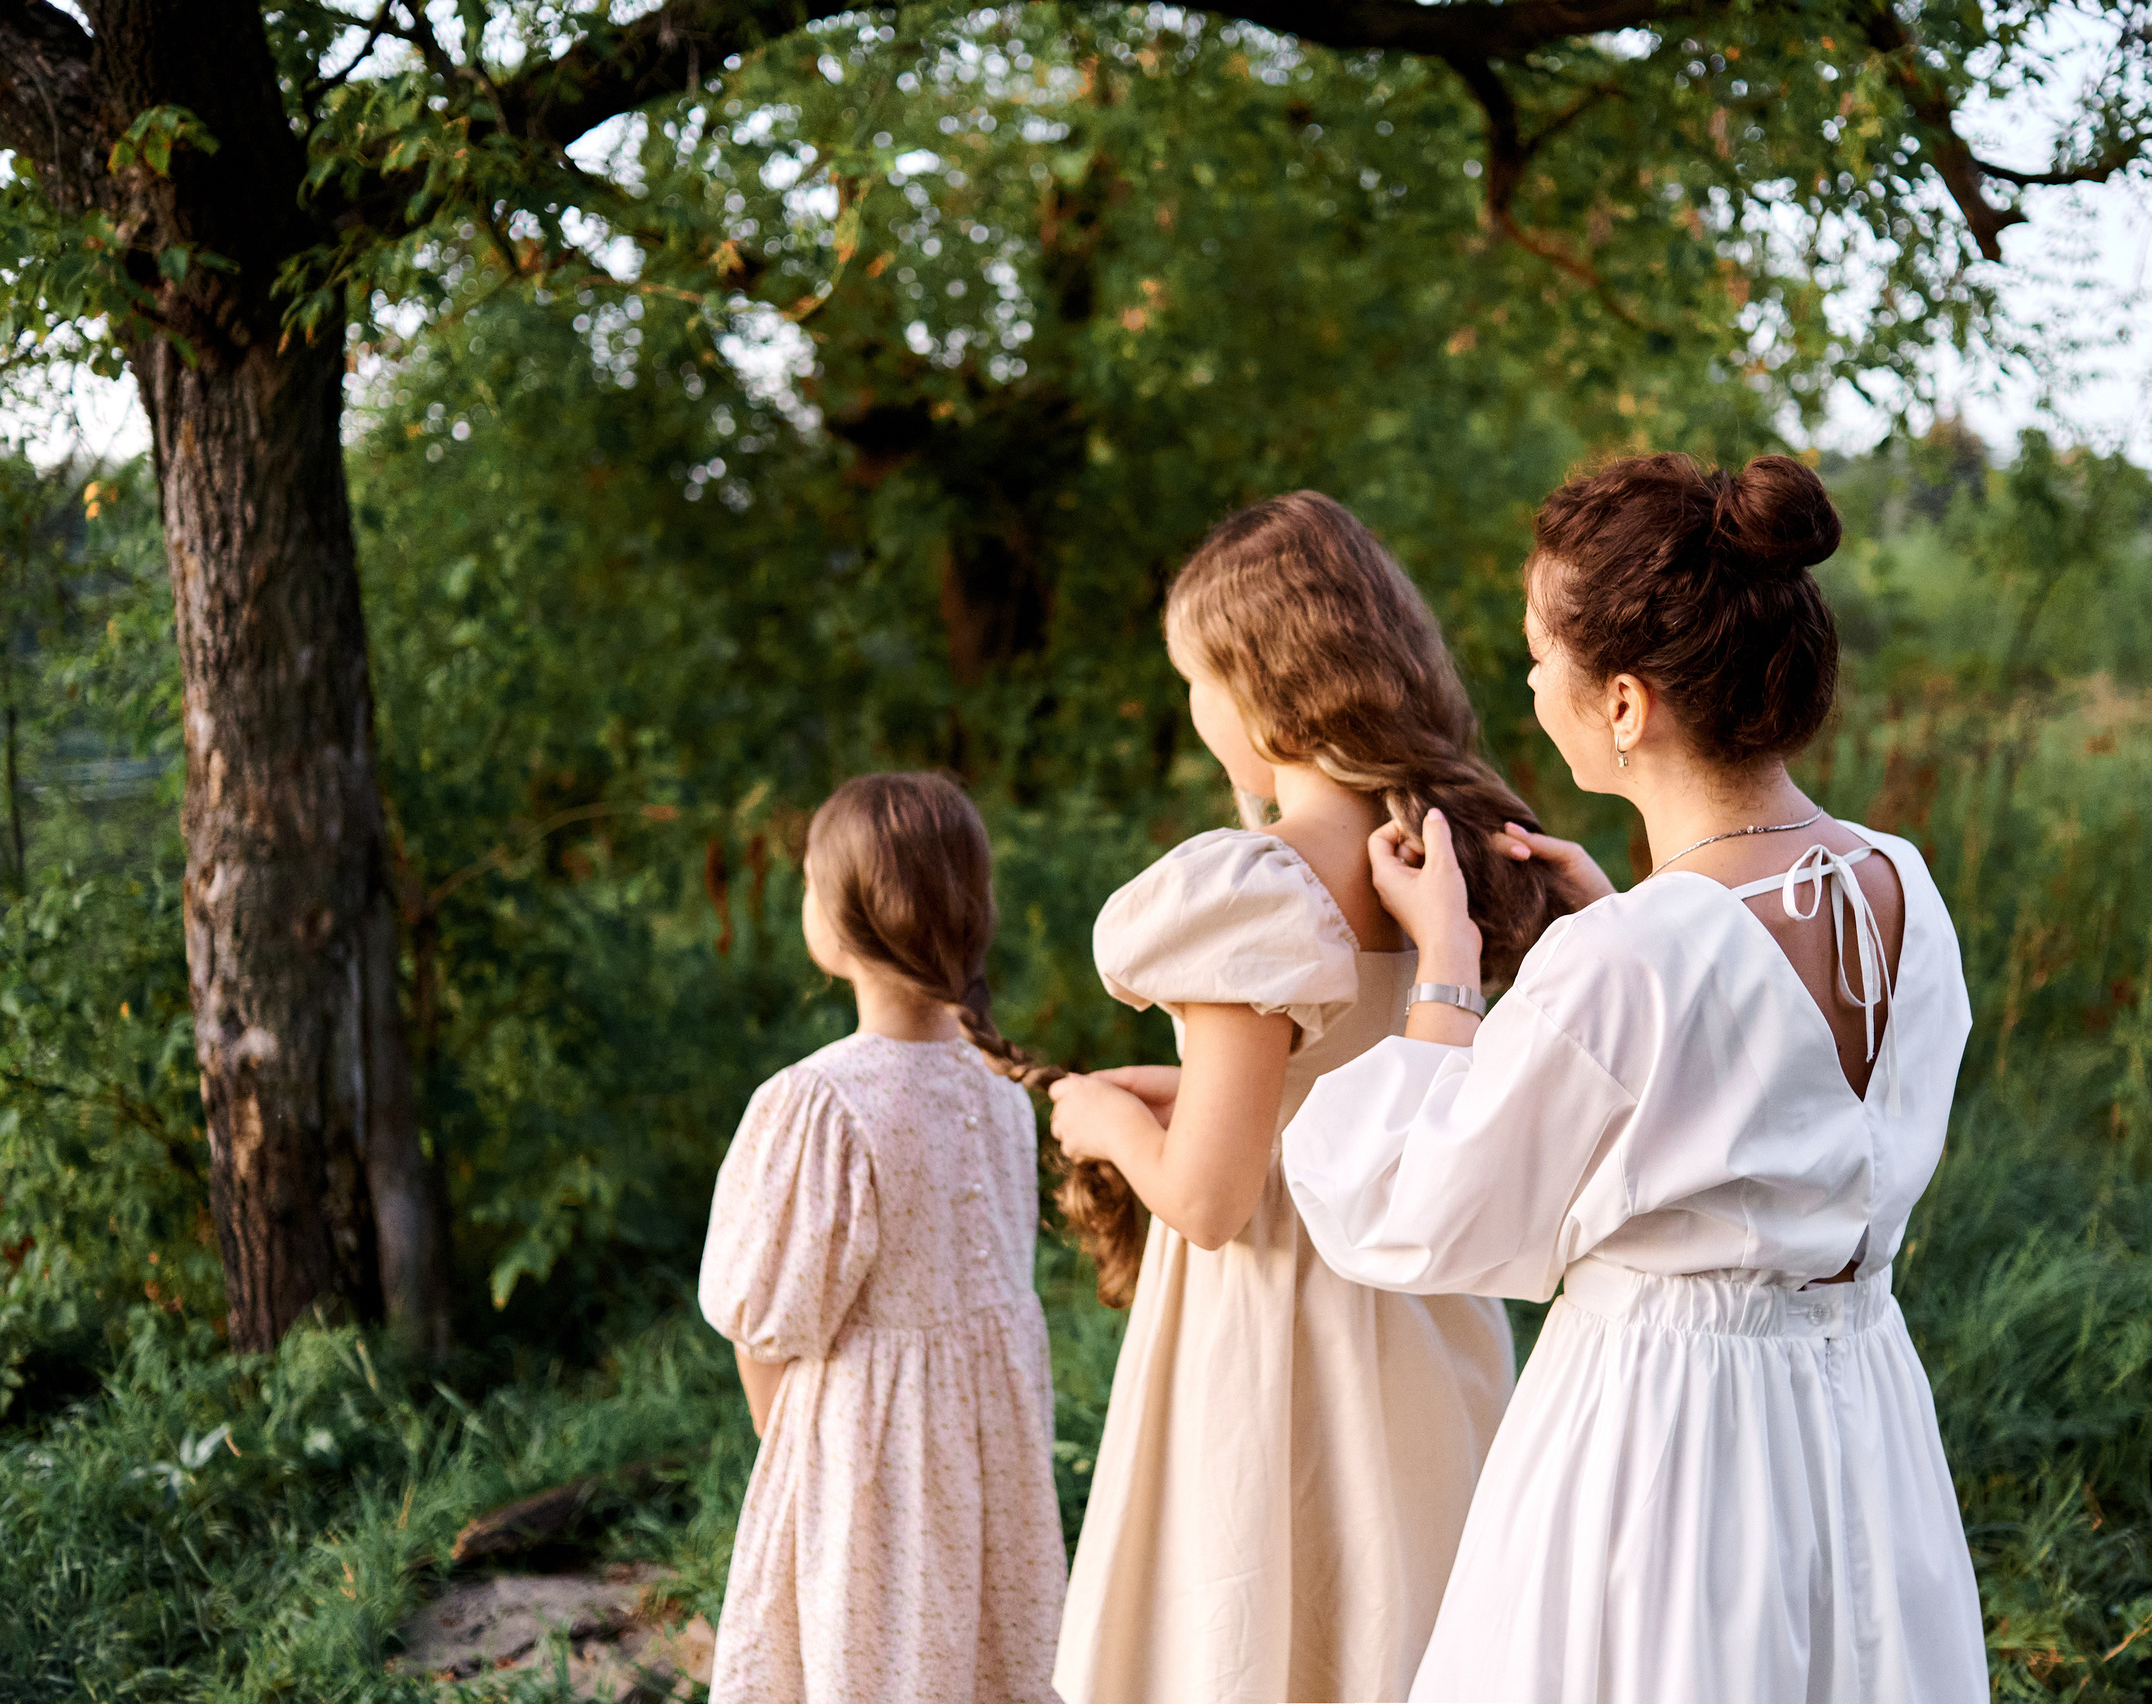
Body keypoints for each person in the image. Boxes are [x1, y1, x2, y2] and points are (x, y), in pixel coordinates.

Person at [1281, 454, 1988, 1702]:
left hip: (1670, 1444)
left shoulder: (1630, 960)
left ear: (1622, 704)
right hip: (1858, 1415)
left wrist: (1446, 967)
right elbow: (1772, 1097)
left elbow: (1410, 1212)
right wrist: (1621, 932)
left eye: (1536, 654)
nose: (1528, 683)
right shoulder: (1899, 884)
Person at [1043, 492, 1562, 1704]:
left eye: (1193, 680)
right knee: (1402, 1617)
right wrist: (1216, 1088)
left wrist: (1109, 1123)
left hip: (1276, 1332)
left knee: (1257, 1623)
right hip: (1426, 1324)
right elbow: (1377, 1079)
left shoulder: (1256, 886)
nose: (1192, 710)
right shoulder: (1448, 859)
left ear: (1255, 687)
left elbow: (1213, 1201)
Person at [697, 772, 1066, 1704]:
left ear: (842, 921)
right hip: (994, 1469)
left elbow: (764, 1324)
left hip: (867, 1468)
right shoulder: (1001, 1087)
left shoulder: (821, 1102)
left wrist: (803, 1468)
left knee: (877, 1661)